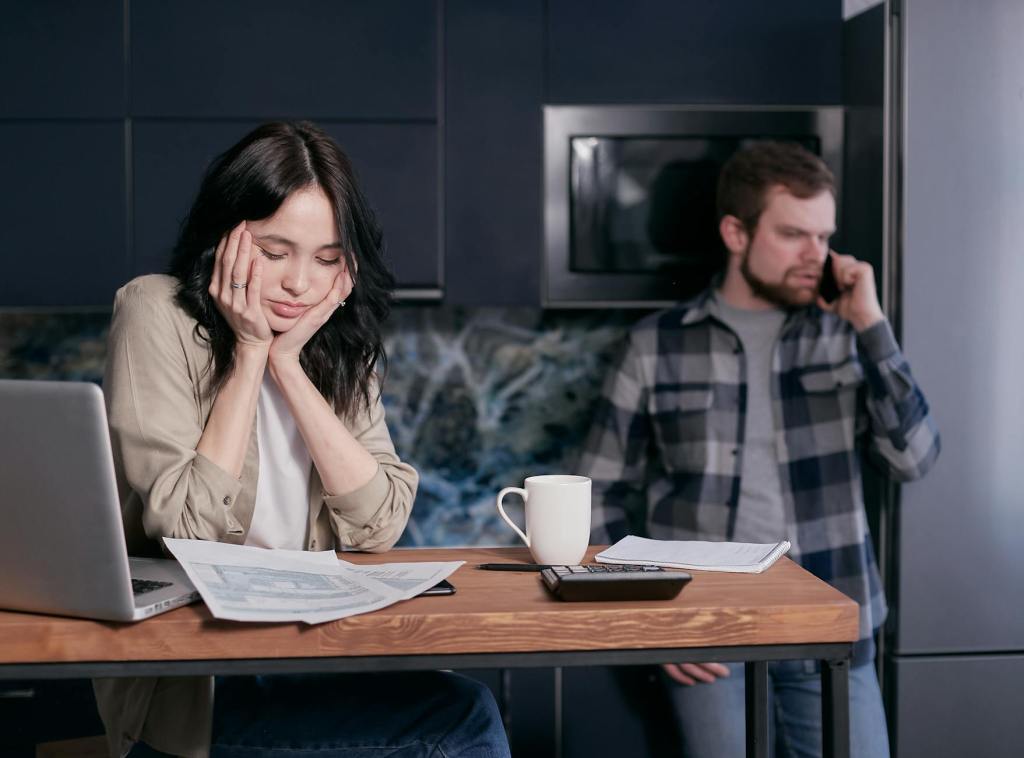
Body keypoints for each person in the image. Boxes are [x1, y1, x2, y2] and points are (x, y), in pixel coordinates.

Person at [94, 121, 510, 758]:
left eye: (326, 259)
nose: (298, 283)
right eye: (272, 250)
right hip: (201, 680)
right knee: (459, 724)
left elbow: (378, 524)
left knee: (462, 705)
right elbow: (186, 525)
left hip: (312, 649)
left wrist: (289, 365)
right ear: (225, 237)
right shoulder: (155, 311)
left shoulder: (337, 344)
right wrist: (253, 353)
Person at [578, 141, 940, 757]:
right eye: (794, 234)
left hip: (833, 626)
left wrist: (873, 327)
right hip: (706, 631)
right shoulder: (655, 347)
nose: (816, 255)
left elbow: (912, 458)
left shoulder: (847, 337)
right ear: (735, 233)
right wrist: (651, 616)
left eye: (824, 236)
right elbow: (596, 495)